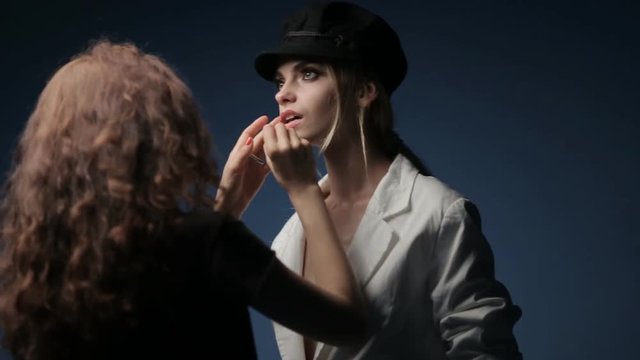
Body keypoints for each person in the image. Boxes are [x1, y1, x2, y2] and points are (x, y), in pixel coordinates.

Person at [0, 40, 368, 360]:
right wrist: (303, 189)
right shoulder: (204, 240)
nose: (283, 93)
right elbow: (348, 325)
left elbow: (181, 298)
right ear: (164, 131)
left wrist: (226, 205)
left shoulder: (43, 264)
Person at [245, 2, 523, 359]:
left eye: (309, 73)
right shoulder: (289, 235)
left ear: (364, 91)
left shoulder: (438, 213)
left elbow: (487, 353)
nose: (282, 93)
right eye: (281, 81)